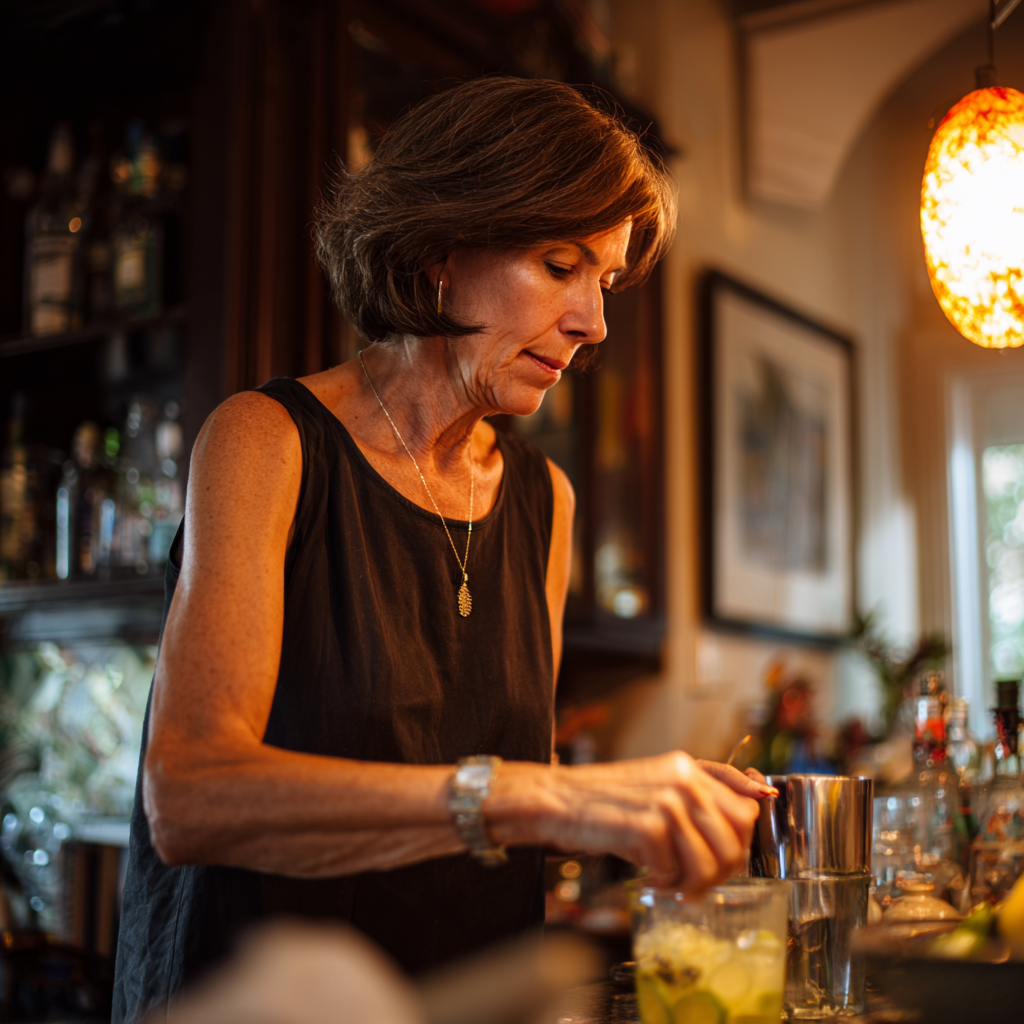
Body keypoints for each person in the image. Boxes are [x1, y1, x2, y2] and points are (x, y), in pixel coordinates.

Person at [113, 77, 775, 1023]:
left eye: (607, 281)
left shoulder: (546, 500)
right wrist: (543, 798)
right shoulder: (266, 442)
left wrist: (628, 809)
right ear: (437, 251)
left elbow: (507, 815)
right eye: (560, 265)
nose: (592, 323)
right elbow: (190, 796)